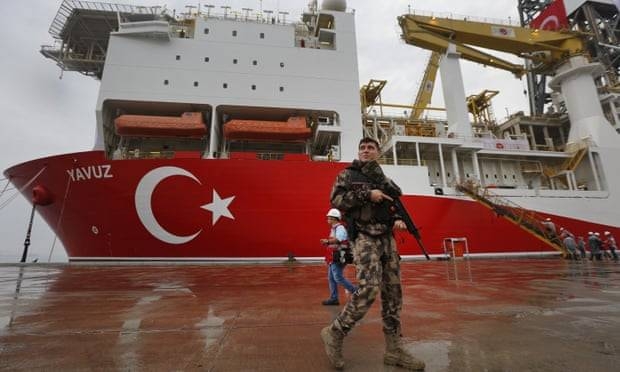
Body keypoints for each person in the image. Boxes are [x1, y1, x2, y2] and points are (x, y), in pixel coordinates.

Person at [320, 137, 425, 371]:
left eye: (371, 148)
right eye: (362, 148)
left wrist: (397, 218)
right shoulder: (347, 175)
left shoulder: (384, 179)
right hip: (364, 236)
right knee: (369, 287)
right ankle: (335, 332)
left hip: (387, 238)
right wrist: (367, 194)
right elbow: (336, 200)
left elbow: (394, 203)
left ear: (378, 152)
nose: (366, 151)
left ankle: (394, 350)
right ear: (359, 151)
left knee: (393, 291)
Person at [321, 208, 357, 306]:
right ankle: (334, 298)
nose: (327, 219)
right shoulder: (334, 228)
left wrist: (327, 241)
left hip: (339, 256)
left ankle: (356, 292)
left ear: (334, 219)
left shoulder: (340, 228)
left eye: (329, 218)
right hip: (333, 257)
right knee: (331, 278)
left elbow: (339, 240)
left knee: (338, 277)